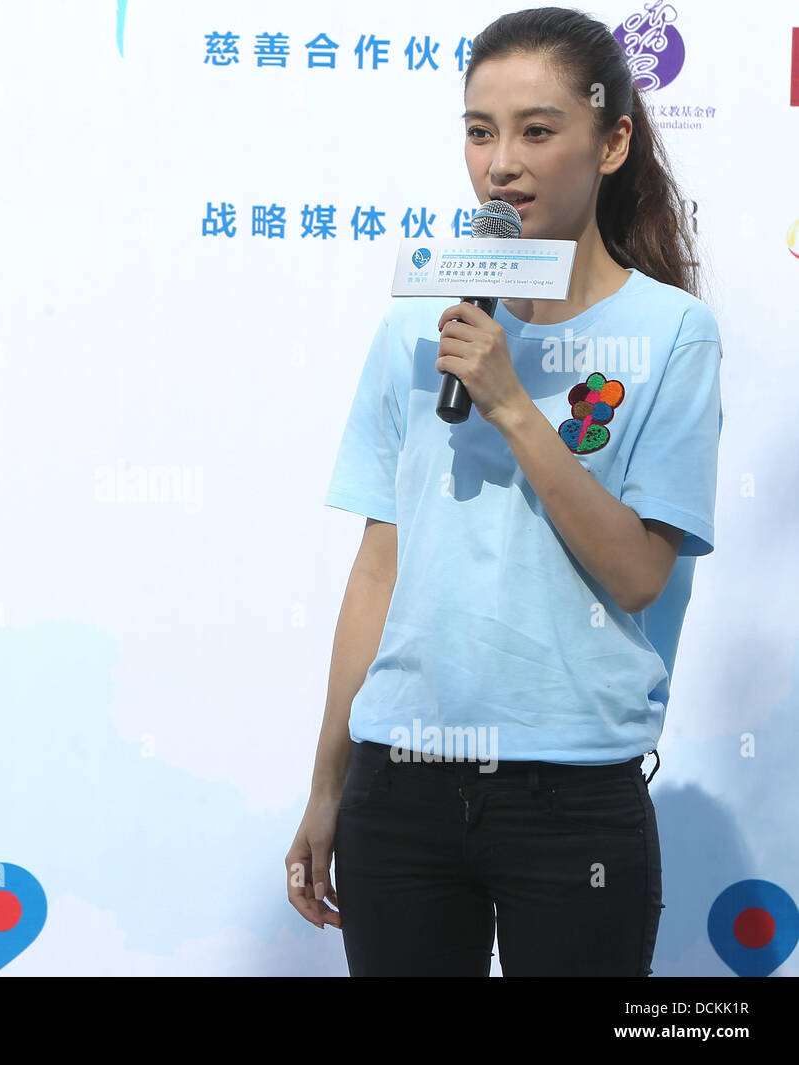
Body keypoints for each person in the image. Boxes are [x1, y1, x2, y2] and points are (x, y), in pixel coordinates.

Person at [284, 6, 723, 976]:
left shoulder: (670, 334)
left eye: (536, 129)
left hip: (568, 794)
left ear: (611, 142)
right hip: (399, 784)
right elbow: (376, 568)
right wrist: (327, 783)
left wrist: (512, 404)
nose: (501, 164)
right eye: (480, 132)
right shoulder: (418, 329)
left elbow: (639, 572)